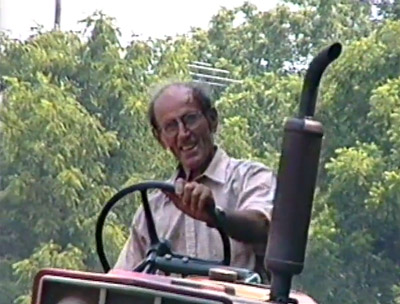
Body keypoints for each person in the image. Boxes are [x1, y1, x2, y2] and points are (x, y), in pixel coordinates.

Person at [114, 82, 276, 279]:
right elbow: (122, 279)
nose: (183, 134)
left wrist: (215, 217)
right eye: (171, 126)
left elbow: (263, 225)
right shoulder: (153, 210)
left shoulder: (250, 178)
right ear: (160, 138)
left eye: (190, 119)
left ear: (212, 120)